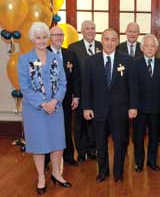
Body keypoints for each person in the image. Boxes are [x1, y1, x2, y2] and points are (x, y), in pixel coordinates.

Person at [18, 22, 71, 195]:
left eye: (44, 37)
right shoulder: (24, 59)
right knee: (39, 144)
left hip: (55, 108)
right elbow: (24, 87)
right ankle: (41, 176)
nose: (41, 41)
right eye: (38, 37)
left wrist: (55, 101)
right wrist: (42, 103)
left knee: (57, 143)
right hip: (35, 110)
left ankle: (57, 173)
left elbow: (63, 83)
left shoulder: (56, 57)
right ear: (32, 39)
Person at [82, 28, 137, 183]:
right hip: (98, 111)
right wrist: (86, 107)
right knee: (100, 144)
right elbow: (86, 87)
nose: (109, 42)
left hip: (120, 111)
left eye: (113, 40)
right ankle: (103, 172)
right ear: (101, 40)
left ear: (117, 42)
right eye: (106, 39)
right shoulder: (91, 61)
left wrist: (133, 107)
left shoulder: (127, 60)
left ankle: (118, 174)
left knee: (120, 144)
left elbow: (132, 86)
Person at [44, 26, 80, 168]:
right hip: (48, 100)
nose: (59, 38)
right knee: (48, 129)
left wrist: (76, 96)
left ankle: (69, 155)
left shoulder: (70, 54)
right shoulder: (43, 53)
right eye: (55, 35)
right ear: (49, 37)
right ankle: (47, 158)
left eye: (61, 35)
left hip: (66, 99)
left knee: (66, 126)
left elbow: (76, 77)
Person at [132, 34, 160, 172]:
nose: (150, 48)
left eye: (153, 46)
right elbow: (132, 87)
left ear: (156, 48)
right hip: (139, 108)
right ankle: (138, 162)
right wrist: (133, 106)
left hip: (155, 107)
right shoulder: (134, 64)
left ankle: (152, 161)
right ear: (142, 48)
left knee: (154, 136)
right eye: (146, 45)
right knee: (138, 137)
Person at [68, 20, 102, 162]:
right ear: (82, 31)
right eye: (87, 28)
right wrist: (74, 94)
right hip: (80, 92)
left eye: (93, 28)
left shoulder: (101, 46)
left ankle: (93, 149)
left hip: (98, 93)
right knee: (80, 124)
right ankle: (81, 152)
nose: (90, 31)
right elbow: (73, 73)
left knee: (95, 123)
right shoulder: (73, 47)